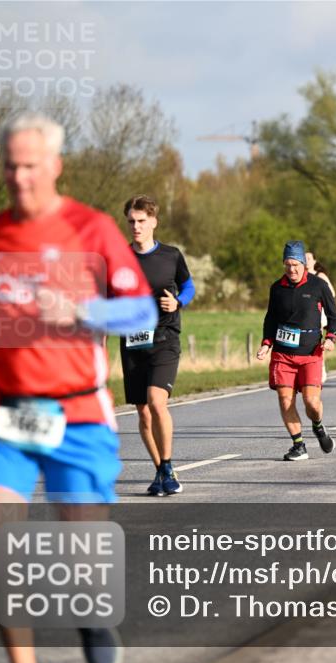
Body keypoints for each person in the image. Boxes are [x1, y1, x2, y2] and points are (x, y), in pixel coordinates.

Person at [0, 111, 158, 663]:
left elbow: (141, 310)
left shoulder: (92, 229)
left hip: (77, 412)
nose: (19, 178)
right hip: (5, 410)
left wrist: (82, 310)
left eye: (30, 166)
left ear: (55, 165)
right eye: (10, 166)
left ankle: (93, 618)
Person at [122, 194, 196, 496]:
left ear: (153, 221)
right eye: (131, 221)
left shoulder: (171, 256)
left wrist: (177, 302)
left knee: (156, 401)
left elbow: (188, 286)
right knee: (142, 412)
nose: (136, 227)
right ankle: (160, 472)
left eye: (141, 221)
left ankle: (167, 466)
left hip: (165, 338)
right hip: (132, 342)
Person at [257, 241, 336, 459]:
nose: (291, 269)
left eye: (295, 265)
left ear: (303, 263)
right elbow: (270, 319)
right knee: (285, 400)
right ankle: (298, 445)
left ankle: (318, 425)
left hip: (311, 353)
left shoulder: (318, 285)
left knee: (312, 403)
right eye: (287, 265)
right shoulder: (277, 288)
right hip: (282, 354)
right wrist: (266, 344)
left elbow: (333, 315)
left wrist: (331, 338)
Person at [305, 251, 335, 383]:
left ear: (314, 261)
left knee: (317, 341)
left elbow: (331, 293)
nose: (306, 260)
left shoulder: (320, 275)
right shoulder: (300, 275)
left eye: (309, 258)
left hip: (319, 312)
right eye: (304, 258)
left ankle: (320, 369)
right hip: (304, 313)